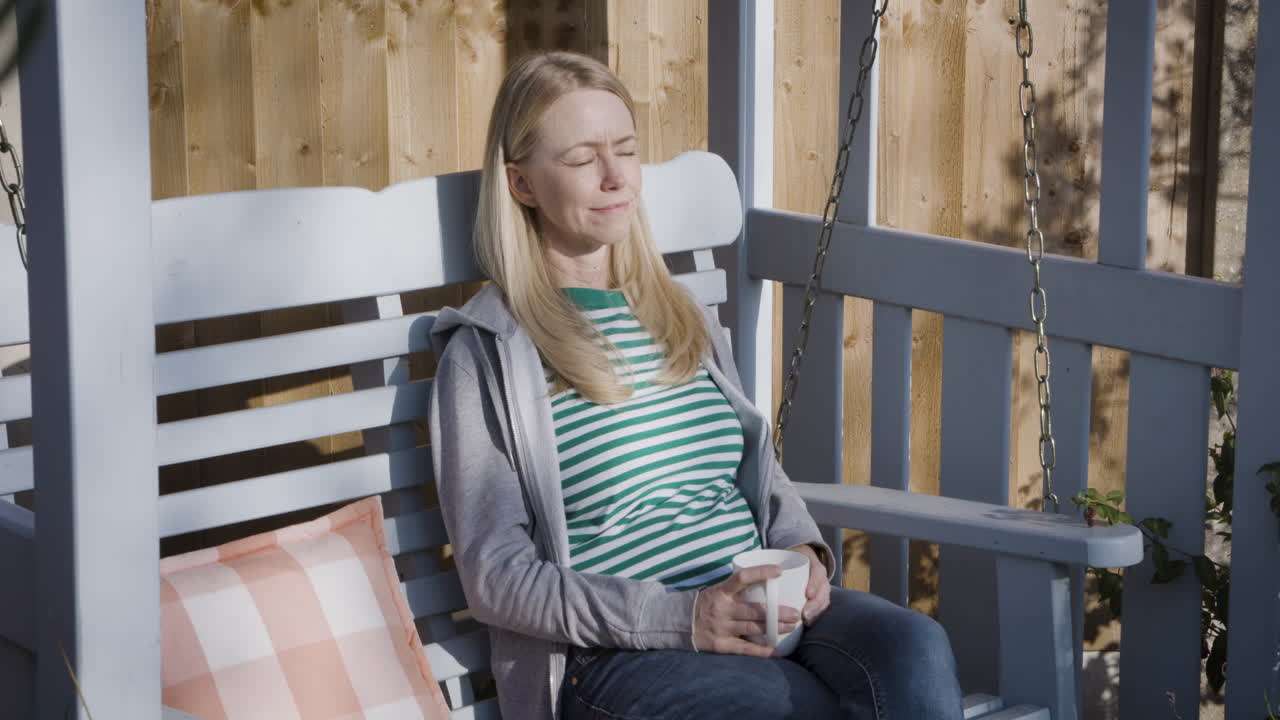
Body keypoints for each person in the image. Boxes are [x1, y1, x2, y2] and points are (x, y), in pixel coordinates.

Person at [428, 50, 964, 720]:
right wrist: (684, 619)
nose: (616, 175)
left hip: (756, 606)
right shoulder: (487, 352)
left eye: (625, 149)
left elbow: (757, 473)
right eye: (582, 158)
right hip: (622, 655)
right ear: (522, 185)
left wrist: (802, 548)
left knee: (913, 645)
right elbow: (497, 582)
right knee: (789, 707)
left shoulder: (679, 313)